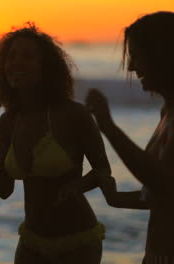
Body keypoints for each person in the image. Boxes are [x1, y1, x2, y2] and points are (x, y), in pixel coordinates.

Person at [0, 23, 111, 264]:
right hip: (32, 242)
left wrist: (76, 187)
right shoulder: (9, 121)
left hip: (78, 241)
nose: (16, 63)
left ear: (46, 67)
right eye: (11, 57)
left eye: (28, 56)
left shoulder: (72, 114)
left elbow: (103, 170)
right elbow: (4, 189)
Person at [86, 11, 174, 264]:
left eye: (136, 56)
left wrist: (108, 126)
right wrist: (116, 199)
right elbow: (165, 197)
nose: (132, 67)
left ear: (163, 55)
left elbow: (163, 182)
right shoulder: (167, 111)